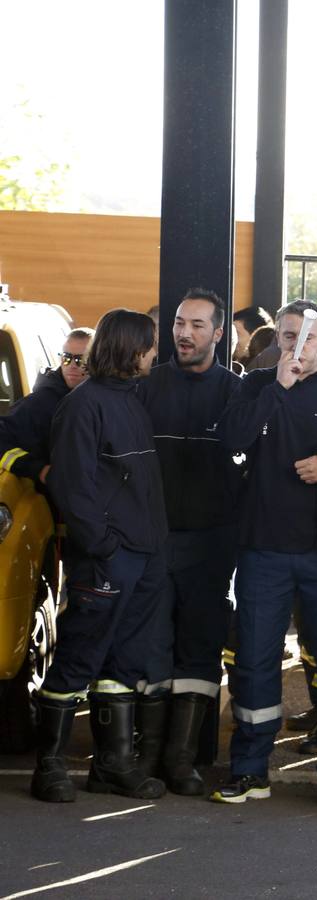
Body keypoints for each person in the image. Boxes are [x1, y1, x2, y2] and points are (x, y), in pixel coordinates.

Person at [212, 300, 317, 807]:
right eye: (288, 337)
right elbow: (231, 441)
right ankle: (249, 770)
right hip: (263, 550)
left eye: (308, 338)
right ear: (278, 339)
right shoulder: (257, 386)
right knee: (256, 660)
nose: (297, 347)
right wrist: (278, 387)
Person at [30, 309, 167, 803]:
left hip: (142, 556)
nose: (156, 353)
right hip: (108, 559)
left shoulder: (132, 400)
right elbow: (73, 485)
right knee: (77, 658)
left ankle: (111, 767)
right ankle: (48, 767)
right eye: (150, 345)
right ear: (132, 349)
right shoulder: (84, 405)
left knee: (123, 664)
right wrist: (106, 547)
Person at [136, 288, 242, 796]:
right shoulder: (147, 387)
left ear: (218, 334)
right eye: (180, 322)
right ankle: (146, 757)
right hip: (153, 543)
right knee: (150, 649)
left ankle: (182, 760)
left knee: (199, 653)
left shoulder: (235, 391)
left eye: (198, 325)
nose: (184, 333)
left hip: (212, 546)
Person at [0, 327, 93, 486]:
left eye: (81, 359)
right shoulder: (40, 403)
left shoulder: (105, 399)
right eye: (66, 358)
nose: (72, 365)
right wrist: (38, 469)